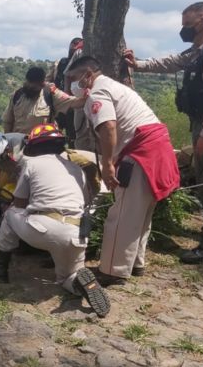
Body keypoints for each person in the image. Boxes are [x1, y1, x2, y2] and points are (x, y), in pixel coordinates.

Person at [123, 1, 203, 264]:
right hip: (202, 122)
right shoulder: (200, 50)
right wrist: (138, 64)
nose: (184, 30)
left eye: (187, 25)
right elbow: (173, 62)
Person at [66, 56, 179, 285]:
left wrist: (107, 164)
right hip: (155, 147)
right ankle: (135, 263)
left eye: (74, 78)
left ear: (88, 75)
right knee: (140, 212)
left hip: (140, 152)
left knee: (123, 213)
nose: (71, 84)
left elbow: (108, 127)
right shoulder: (112, 86)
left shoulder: (98, 92)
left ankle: (113, 270)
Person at [0, 124, 111, 317]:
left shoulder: (31, 164)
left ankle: (0, 268)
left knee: (11, 214)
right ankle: (80, 282)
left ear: (33, 147)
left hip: (45, 230)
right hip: (77, 233)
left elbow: (18, 204)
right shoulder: (76, 169)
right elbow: (84, 204)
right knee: (66, 277)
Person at [3, 66, 52, 135]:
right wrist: (7, 140)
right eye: (28, 84)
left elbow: (71, 101)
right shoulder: (17, 95)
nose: (30, 88)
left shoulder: (49, 96)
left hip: (41, 142)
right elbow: (7, 121)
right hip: (18, 142)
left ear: (42, 85)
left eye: (34, 87)